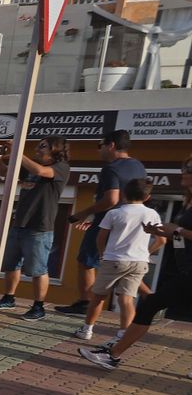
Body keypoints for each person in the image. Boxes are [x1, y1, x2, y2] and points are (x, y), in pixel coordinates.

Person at [81, 158, 192, 371]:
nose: (183, 173)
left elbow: (180, 233)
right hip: (181, 269)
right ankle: (113, 352)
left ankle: (108, 349)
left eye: (187, 170)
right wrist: (160, 233)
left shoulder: (116, 213)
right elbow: (174, 238)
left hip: (182, 271)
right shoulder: (183, 203)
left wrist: (176, 231)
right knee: (143, 303)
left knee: (119, 299)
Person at [60, 129, 147, 317]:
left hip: (110, 223)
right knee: (125, 265)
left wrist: (82, 214)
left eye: (100, 146)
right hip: (131, 223)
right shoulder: (138, 166)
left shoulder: (111, 168)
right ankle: (150, 297)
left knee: (86, 261)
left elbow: (111, 200)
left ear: (111, 145)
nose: (99, 151)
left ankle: (85, 302)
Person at [0, 137, 70, 321]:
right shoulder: (30, 166)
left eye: (42, 146)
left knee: (38, 269)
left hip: (39, 228)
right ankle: (9, 298)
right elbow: (4, 172)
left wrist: (17, 152)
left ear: (55, 149)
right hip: (19, 224)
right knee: (11, 265)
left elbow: (41, 171)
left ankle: (38, 307)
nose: (37, 149)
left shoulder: (61, 167)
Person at [76, 178, 162, 342]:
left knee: (98, 296)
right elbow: (161, 240)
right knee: (127, 299)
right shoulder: (152, 214)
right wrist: (147, 252)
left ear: (123, 194)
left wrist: (102, 254)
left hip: (114, 259)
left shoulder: (115, 213)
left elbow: (101, 237)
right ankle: (123, 333)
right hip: (139, 262)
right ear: (147, 197)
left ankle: (87, 329)